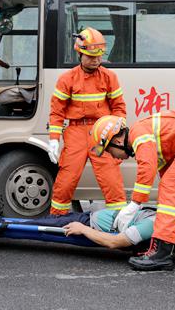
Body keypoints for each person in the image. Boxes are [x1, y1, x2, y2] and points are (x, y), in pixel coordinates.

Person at [91, 110, 175, 271]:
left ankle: (161, 252)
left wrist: (134, 204)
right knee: (172, 185)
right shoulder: (155, 139)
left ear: (118, 140)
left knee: (170, 185)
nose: (113, 157)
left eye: (108, 150)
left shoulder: (138, 132)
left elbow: (147, 167)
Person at [47, 27, 127, 215]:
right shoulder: (67, 79)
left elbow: (119, 108)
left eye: (99, 56)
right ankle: (56, 219)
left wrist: (118, 134)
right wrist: (53, 139)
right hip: (76, 133)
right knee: (67, 179)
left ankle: (120, 220)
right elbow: (57, 112)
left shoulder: (109, 77)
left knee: (111, 178)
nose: (96, 60)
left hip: (102, 133)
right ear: (80, 54)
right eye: (91, 56)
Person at [0, 196, 175, 250]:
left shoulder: (155, 225)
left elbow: (115, 242)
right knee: (40, 222)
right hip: (88, 220)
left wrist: (83, 229)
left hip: (87, 226)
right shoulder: (163, 216)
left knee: (37, 228)